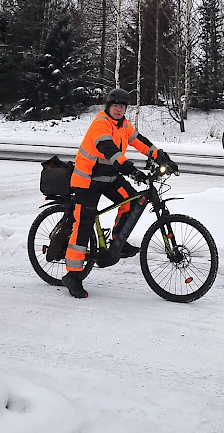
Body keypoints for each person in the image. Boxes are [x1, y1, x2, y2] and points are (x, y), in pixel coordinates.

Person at [62, 87, 174, 299]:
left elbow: (141, 142)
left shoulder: (124, 125)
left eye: (122, 106)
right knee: (84, 224)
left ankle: (117, 242)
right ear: (108, 106)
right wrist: (130, 169)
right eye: (116, 105)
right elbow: (109, 150)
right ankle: (73, 275)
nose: (119, 109)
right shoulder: (100, 124)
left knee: (132, 201)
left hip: (110, 177)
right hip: (88, 179)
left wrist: (162, 157)